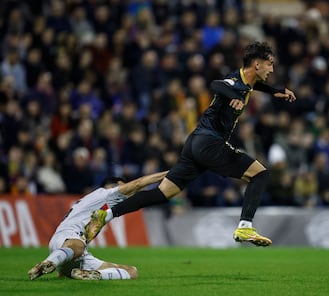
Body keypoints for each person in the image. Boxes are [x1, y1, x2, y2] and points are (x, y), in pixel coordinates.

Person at [84, 41, 296, 247]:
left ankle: (105, 214)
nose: (272, 68)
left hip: (195, 143)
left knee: (162, 193)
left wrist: (276, 91)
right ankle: (245, 225)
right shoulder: (234, 83)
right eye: (270, 63)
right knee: (260, 173)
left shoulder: (246, 81)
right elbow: (217, 85)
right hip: (210, 143)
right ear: (257, 64)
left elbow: (254, 85)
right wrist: (235, 97)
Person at [28, 171, 167, 281]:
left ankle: (92, 275)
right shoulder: (107, 194)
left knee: (131, 272)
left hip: (76, 254)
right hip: (67, 238)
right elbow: (138, 184)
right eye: (125, 188)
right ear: (118, 184)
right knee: (78, 247)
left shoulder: (97, 203)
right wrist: (170, 174)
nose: (129, 195)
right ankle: (47, 263)